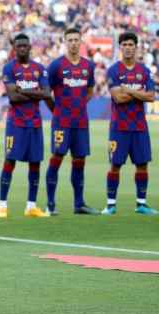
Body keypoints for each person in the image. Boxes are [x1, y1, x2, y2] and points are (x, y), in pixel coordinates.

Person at [44, 28, 99, 216]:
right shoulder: (56, 66)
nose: (74, 43)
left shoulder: (88, 66)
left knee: (79, 160)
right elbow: (46, 92)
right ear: (65, 41)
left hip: (81, 122)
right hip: (61, 122)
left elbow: (90, 90)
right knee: (57, 158)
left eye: (77, 39)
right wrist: (57, 110)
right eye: (70, 40)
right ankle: (50, 204)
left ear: (81, 41)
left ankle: (79, 204)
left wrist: (79, 106)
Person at [0, 33, 52, 218]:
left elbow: (46, 93)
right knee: (10, 161)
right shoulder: (9, 68)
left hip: (35, 123)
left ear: (30, 47)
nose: (21, 48)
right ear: (15, 48)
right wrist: (33, 92)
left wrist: (23, 90)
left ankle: (31, 206)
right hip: (16, 123)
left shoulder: (40, 69)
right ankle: (2, 205)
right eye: (18, 46)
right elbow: (13, 97)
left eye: (24, 46)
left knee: (35, 163)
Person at [102, 31, 157, 215]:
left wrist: (128, 89)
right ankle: (110, 204)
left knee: (142, 164)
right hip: (119, 127)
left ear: (136, 47)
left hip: (139, 126)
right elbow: (118, 98)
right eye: (124, 45)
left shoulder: (144, 71)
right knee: (115, 165)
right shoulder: (113, 70)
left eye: (131, 45)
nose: (127, 48)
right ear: (120, 47)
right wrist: (137, 92)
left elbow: (151, 96)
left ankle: (141, 204)